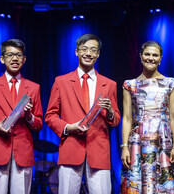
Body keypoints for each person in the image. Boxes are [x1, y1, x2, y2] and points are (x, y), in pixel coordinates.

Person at [45, 33, 121, 193]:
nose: (88, 53)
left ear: (98, 54)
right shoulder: (62, 82)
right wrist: (68, 127)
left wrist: (109, 112)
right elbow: (50, 115)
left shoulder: (109, 84)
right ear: (76, 52)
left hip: (99, 151)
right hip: (71, 148)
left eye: (93, 50)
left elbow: (116, 119)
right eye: (84, 49)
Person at [120, 40, 174, 193]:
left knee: (167, 185)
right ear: (140, 56)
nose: (150, 58)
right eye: (147, 54)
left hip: (164, 141)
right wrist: (125, 147)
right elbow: (127, 118)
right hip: (138, 143)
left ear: (160, 59)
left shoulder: (171, 83)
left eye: (155, 55)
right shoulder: (130, 85)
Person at [0, 39, 43, 194]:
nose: (15, 58)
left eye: (18, 55)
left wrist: (29, 116)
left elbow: (38, 124)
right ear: (2, 59)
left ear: (24, 59)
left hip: (23, 153)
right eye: (10, 54)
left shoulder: (33, 88)